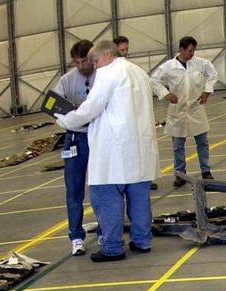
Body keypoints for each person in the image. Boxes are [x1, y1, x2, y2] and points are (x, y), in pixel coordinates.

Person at [55, 40, 158, 262]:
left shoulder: (108, 73)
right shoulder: (138, 72)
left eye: (95, 60)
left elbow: (91, 108)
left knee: (106, 198)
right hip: (140, 150)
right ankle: (142, 241)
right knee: (139, 197)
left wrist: (65, 119)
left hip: (113, 152)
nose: (94, 66)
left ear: (107, 55)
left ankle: (112, 247)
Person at [151, 36, 217, 187]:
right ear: (181, 49)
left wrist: (207, 91)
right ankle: (180, 174)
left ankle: (206, 171)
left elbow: (213, 75)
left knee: (202, 142)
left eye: (193, 50)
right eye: (189, 50)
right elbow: (154, 80)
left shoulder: (201, 63)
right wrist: (166, 94)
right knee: (178, 145)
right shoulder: (168, 66)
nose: (192, 54)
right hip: (177, 109)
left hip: (196, 107)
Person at [55, 39, 97, 256]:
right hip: (75, 139)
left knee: (102, 185)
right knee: (74, 190)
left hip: (100, 137)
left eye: (85, 61)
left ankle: (105, 229)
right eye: (77, 62)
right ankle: (76, 236)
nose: (82, 66)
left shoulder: (103, 75)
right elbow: (54, 107)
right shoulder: (66, 81)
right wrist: (72, 114)